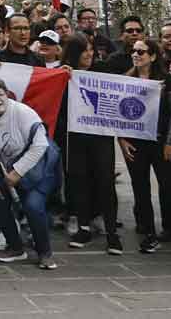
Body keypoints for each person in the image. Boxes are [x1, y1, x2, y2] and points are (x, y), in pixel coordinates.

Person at [0, 78, 60, 269]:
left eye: (0, 94)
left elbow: (40, 145)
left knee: (32, 206)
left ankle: (44, 253)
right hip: (11, 171)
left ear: (7, 94)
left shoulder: (23, 112)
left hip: (40, 167)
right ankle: (16, 248)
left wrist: (18, 172)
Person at [120, 39, 171, 257]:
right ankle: (148, 233)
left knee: (170, 187)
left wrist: (170, 141)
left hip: (160, 141)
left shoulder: (167, 80)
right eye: (133, 51)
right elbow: (117, 112)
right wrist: (122, 139)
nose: (136, 55)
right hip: (136, 143)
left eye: (141, 51)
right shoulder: (127, 79)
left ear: (153, 56)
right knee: (140, 189)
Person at [61, 33, 122, 255]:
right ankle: (84, 227)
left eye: (91, 49)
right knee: (79, 181)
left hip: (101, 136)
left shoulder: (103, 71)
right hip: (75, 137)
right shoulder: (63, 73)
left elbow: (123, 86)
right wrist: (61, 77)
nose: (90, 53)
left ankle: (112, 233)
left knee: (105, 182)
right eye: (85, 49)